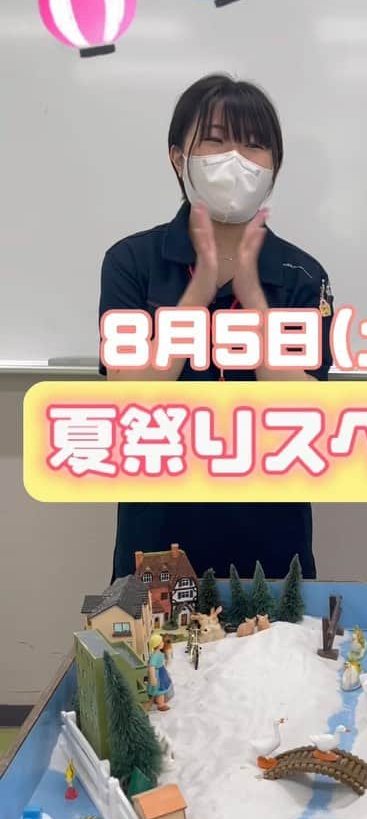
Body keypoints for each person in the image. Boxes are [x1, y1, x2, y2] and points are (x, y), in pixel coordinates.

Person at [99, 75, 333, 584]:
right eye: (215, 140)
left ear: (274, 167)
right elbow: (127, 400)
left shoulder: (302, 274)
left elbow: (306, 413)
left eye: (254, 144)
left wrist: (254, 301)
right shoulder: (132, 262)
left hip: (270, 533)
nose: (236, 159)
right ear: (177, 157)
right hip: (159, 528)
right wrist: (198, 291)